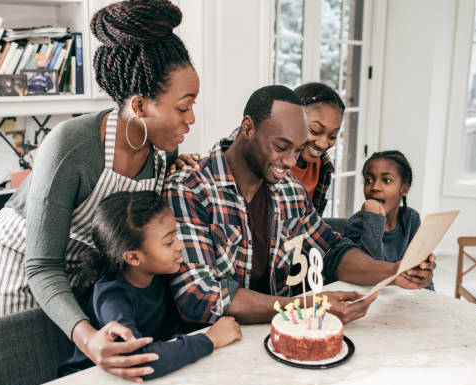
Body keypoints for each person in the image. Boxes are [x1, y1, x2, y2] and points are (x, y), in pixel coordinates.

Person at [0, 0, 200, 382]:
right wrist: (88, 339)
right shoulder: (70, 146)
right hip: (15, 274)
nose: (191, 118)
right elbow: (41, 265)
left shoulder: (162, 151)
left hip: (75, 280)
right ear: (139, 104)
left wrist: (176, 165)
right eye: (183, 107)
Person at [164, 85, 435, 325]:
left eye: (297, 149)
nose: (291, 162)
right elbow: (198, 297)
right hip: (214, 342)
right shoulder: (190, 188)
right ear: (248, 128)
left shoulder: (289, 189)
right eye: (281, 147)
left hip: (279, 330)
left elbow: (332, 251)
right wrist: (306, 307)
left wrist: (393, 271)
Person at [60, 191, 241, 380]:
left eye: (176, 235)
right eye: (169, 242)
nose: (180, 245)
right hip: (89, 383)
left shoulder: (162, 273)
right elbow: (139, 360)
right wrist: (210, 339)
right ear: (133, 257)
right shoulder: (112, 297)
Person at [344, 150, 434, 290]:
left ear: (404, 189)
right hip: (367, 297)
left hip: (402, 298)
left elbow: (419, 272)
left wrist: (430, 296)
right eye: (369, 180)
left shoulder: (411, 219)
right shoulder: (355, 224)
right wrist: (374, 220)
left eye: (386, 180)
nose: (374, 187)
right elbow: (371, 272)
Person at [290, 83, 344, 215]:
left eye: (333, 136)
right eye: (315, 131)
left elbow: (314, 220)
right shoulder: (270, 162)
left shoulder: (322, 165)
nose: (323, 144)